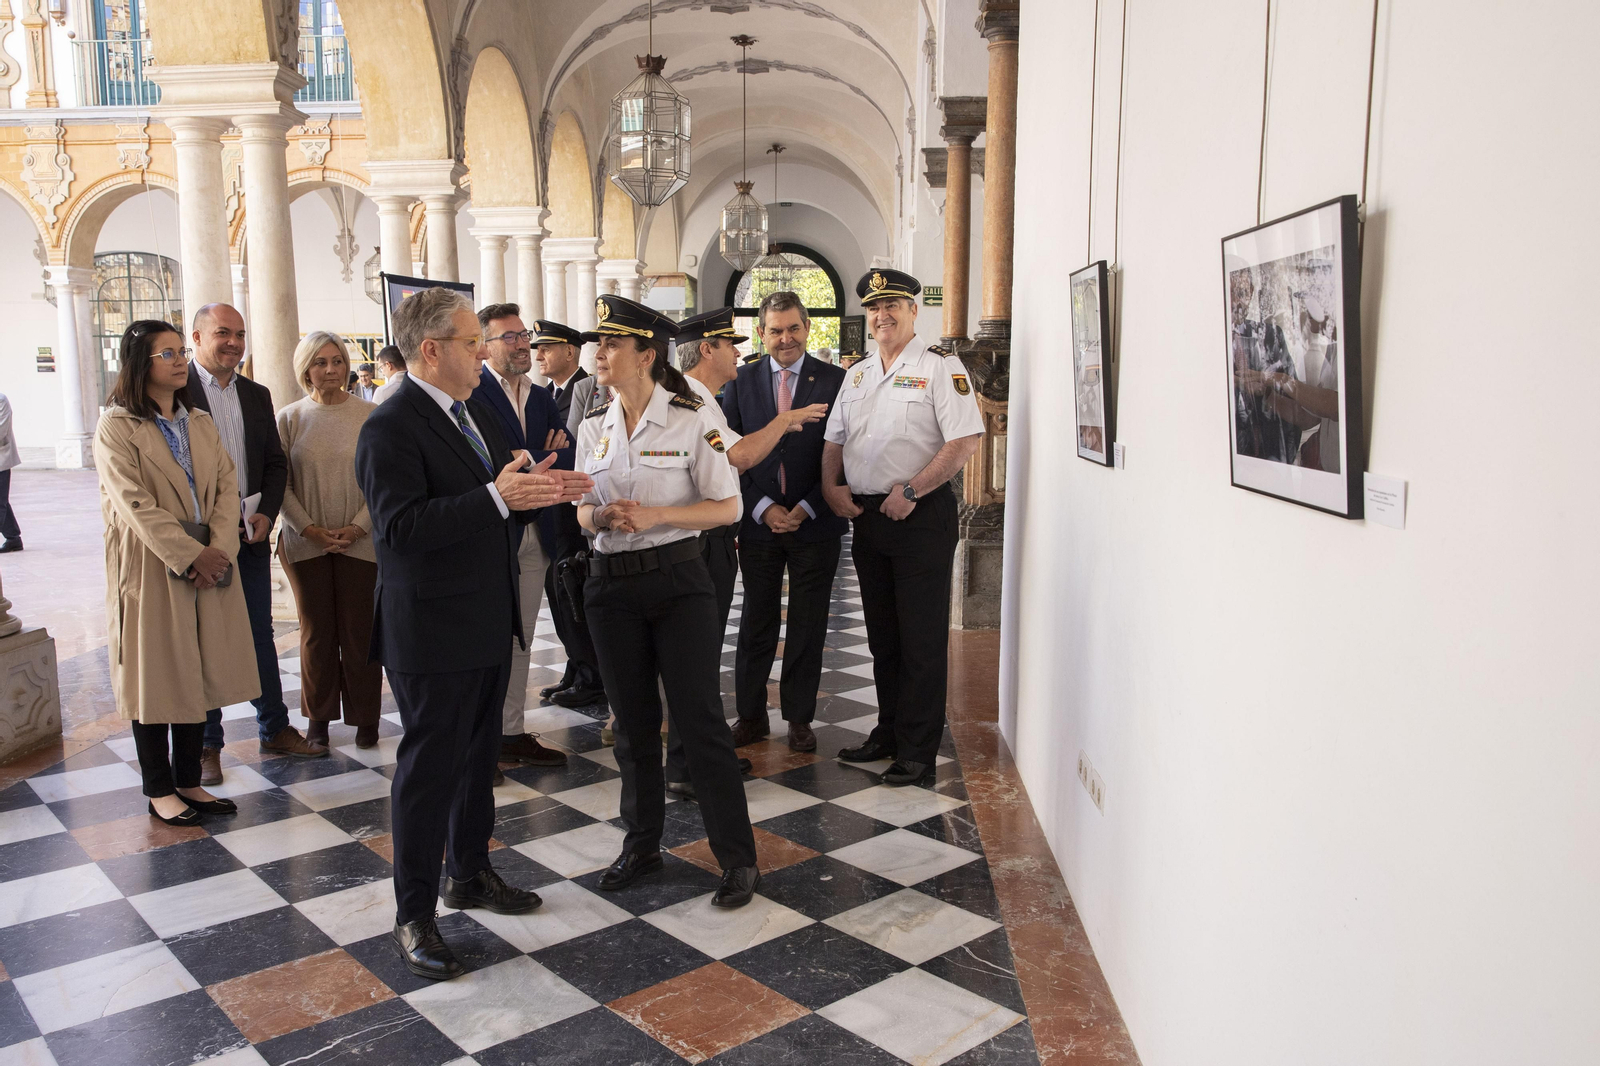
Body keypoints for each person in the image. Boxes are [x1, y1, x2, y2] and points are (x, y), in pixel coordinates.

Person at [355, 287, 592, 980]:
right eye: (470, 342)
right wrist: (497, 496)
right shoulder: (390, 425)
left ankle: (470, 872)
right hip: (430, 628)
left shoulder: (466, 414)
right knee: (429, 773)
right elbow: (400, 529)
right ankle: (414, 914)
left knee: (479, 757)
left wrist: (525, 490)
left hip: (485, 618)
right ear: (431, 350)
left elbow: (483, 505)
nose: (483, 352)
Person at [574, 294, 759, 908]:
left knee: (700, 721)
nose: (599, 354)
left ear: (645, 355)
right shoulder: (593, 426)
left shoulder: (689, 418)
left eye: (611, 344)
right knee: (630, 725)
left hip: (678, 584)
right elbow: (580, 509)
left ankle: (736, 858)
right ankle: (642, 842)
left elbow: (726, 506)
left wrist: (656, 514)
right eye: (598, 344)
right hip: (608, 587)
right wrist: (597, 512)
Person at [821, 269, 984, 786]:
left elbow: (964, 442)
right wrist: (831, 487)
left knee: (921, 639)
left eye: (893, 304)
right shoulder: (859, 374)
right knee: (883, 638)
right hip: (869, 518)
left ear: (914, 310)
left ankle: (917, 750)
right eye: (873, 307)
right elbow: (834, 440)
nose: (882, 315)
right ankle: (888, 732)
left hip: (920, 517)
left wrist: (912, 491)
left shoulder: (940, 367)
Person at [93, 320, 256, 826]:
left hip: (210, 557)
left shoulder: (198, 422)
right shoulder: (118, 426)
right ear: (141, 363)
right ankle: (159, 789)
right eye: (167, 353)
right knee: (158, 676)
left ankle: (189, 780)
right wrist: (191, 555)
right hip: (154, 563)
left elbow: (228, 491)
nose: (180, 360)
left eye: (181, 351)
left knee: (199, 674)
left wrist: (221, 550)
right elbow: (134, 504)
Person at [664, 305, 828, 795]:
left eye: (793, 328)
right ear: (708, 348)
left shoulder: (701, 396)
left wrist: (806, 505)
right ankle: (701, 753)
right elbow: (740, 456)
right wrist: (788, 421)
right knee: (707, 647)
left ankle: (700, 754)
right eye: (731, 343)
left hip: (779, 528)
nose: (741, 351)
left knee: (704, 650)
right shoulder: (701, 397)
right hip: (718, 535)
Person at [185, 303, 324, 785]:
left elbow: (273, 462)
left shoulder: (255, 394)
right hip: (197, 539)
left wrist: (267, 511)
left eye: (240, 334)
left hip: (247, 533)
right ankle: (206, 744)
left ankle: (274, 727)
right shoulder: (172, 392)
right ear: (197, 337)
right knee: (203, 636)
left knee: (258, 631)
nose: (234, 343)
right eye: (223, 333)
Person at [718, 293, 848, 754]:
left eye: (793, 328)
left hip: (816, 522)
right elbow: (730, 457)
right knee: (757, 621)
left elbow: (844, 452)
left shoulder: (836, 381)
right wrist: (763, 507)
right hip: (758, 524)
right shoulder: (740, 380)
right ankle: (750, 716)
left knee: (809, 624)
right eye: (775, 330)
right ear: (762, 333)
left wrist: (809, 505)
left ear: (808, 327)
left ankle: (798, 718)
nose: (785, 338)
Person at [470, 304, 571, 767]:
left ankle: (510, 732)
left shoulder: (541, 395)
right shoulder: (473, 394)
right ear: (485, 346)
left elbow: (563, 457)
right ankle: (480, 740)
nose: (521, 343)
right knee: (487, 635)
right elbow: (486, 463)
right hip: (494, 530)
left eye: (523, 334)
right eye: (508, 337)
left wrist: (523, 455)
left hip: (539, 531)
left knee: (523, 636)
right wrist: (536, 455)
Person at [278, 332, 383, 749]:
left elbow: (382, 482)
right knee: (316, 633)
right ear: (306, 368)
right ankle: (318, 719)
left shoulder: (370, 415)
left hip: (361, 540)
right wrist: (309, 529)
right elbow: (279, 485)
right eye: (320, 362)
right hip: (306, 543)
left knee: (361, 632)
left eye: (337, 360)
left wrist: (358, 527)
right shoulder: (290, 418)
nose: (330, 369)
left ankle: (365, 718)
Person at [533, 319, 606, 709]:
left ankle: (591, 673)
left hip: (578, 513)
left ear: (571, 352)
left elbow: (574, 451)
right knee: (560, 594)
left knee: (574, 591)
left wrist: (550, 451)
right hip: (552, 512)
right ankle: (576, 667)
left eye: (546, 348)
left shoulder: (586, 389)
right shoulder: (546, 394)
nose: (538, 355)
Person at [0, 393, 20, 553]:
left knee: (0, 502)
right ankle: (13, 538)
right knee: (1, 501)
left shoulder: (1, 399)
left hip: (1, 459)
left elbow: (1, 430)